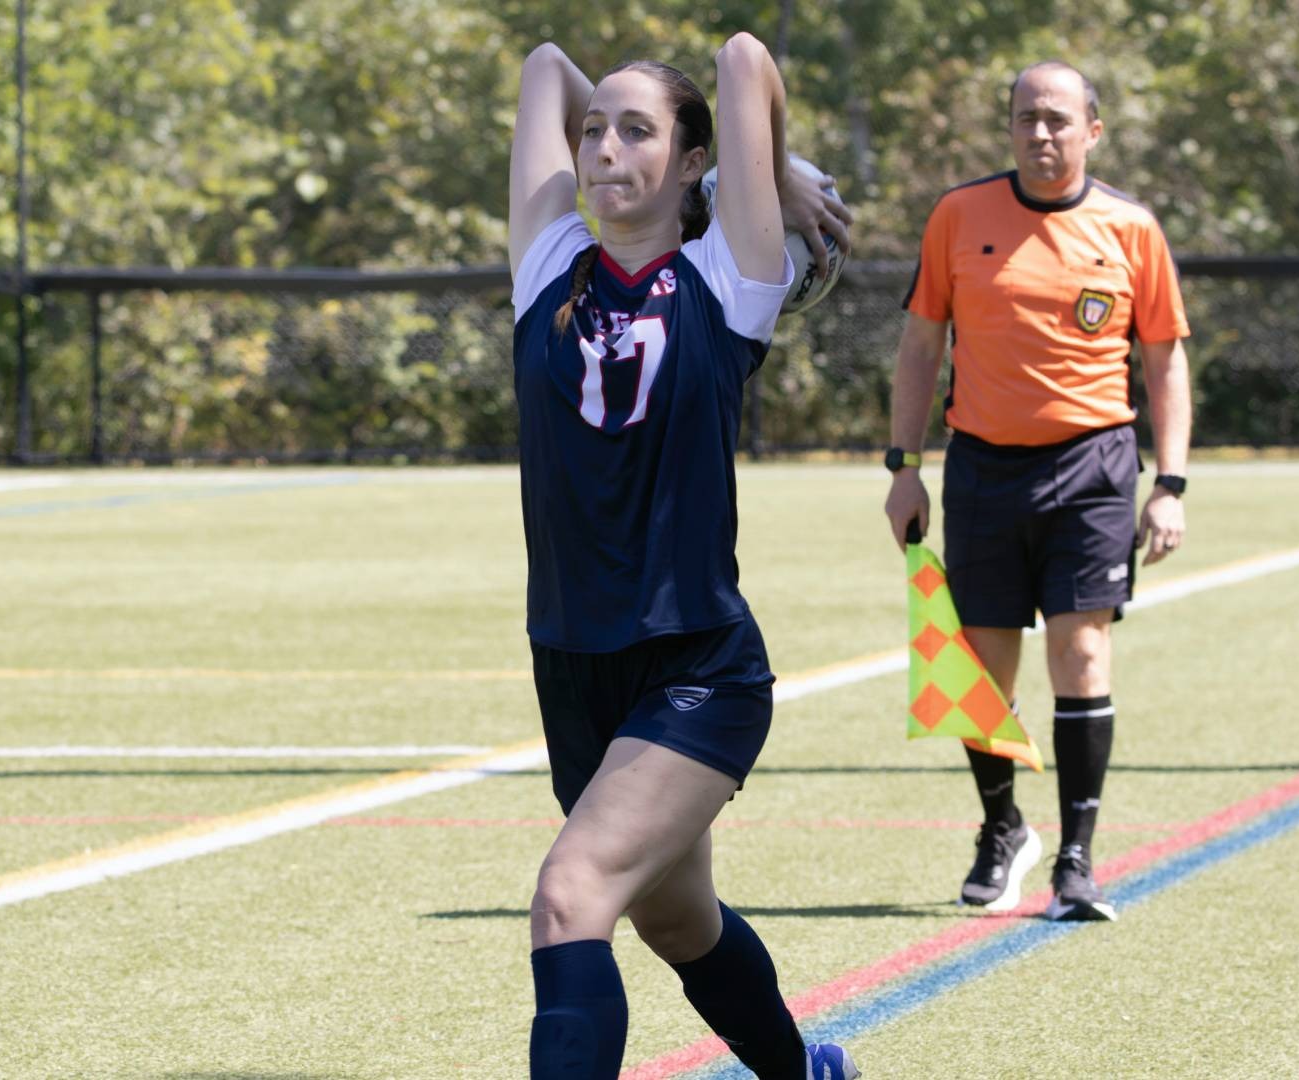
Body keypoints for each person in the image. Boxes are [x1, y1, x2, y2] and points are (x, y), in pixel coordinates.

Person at [508, 33, 858, 1080]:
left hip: (697, 662)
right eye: (593, 132)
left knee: (571, 895)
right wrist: (609, 104)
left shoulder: (729, 275)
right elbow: (542, 65)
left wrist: (777, 163)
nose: (604, 149)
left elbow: (745, 58)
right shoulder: (544, 265)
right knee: (676, 920)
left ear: (696, 160)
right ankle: (805, 1075)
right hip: (573, 660)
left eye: (637, 132)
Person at [881, 60, 1192, 922]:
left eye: (1057, 118)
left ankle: (1079, 859)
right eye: (1025, 117)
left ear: (1093, 129)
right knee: (982, 666)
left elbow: (1165, 360)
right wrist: (902, 467)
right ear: (1009, 127)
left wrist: (1168, 483)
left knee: (1082, 655)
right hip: (982, 465)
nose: (1040, 133)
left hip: (1094, 466)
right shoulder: (958, 215)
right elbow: (919, 347)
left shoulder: (1131, 228)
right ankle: (1002, 827)